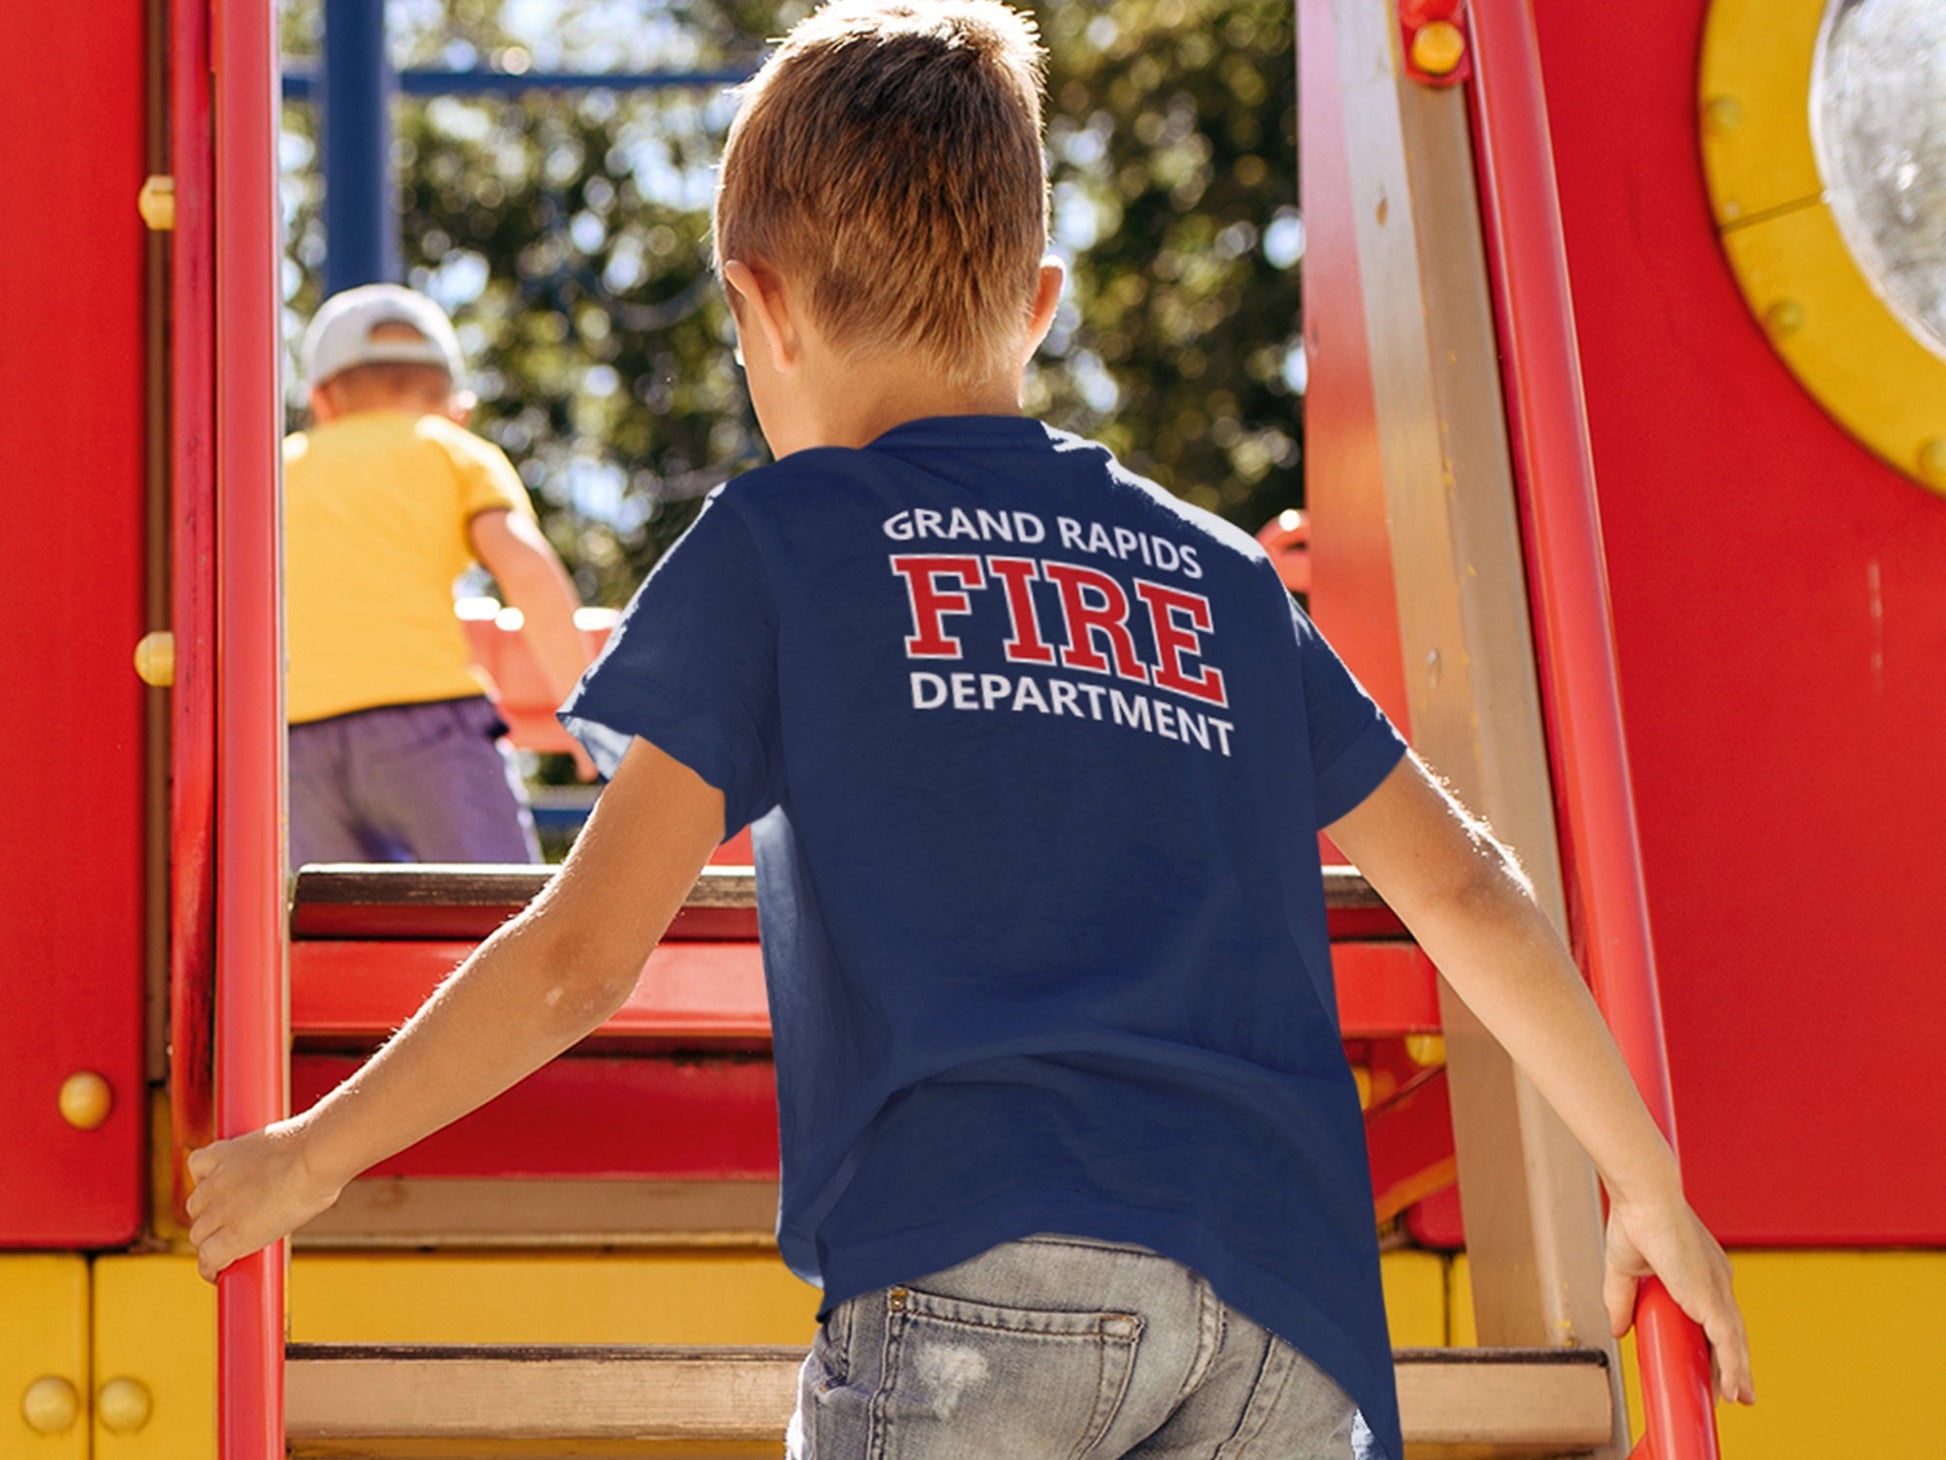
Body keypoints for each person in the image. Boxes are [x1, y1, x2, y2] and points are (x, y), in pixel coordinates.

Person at [188, 5, 1753, 1456]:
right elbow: (1467, 888)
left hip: (984, 1259)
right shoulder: (1210, 569)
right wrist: (1644, 1181)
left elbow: (580, 955)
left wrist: (308, 1156)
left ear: (757, 308)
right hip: (1290, 1295)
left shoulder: (786, 544)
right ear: (1042, 304)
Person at [284, 283, 592, 866]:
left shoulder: (282, 465)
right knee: (496, 921)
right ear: (458, 407)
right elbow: (526, 571)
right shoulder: (454, 450)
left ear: (323, 400)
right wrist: (582, 710)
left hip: (296, 743)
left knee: (332, 940)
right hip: (430, 732)